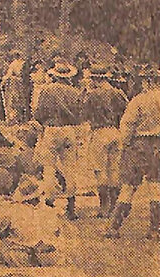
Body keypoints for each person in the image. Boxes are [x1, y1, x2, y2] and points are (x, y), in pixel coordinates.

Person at [107, 75, 160, 239]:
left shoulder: (139, 100)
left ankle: (114, 227)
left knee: (128, 187)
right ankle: (154, 229)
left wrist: (124, 145)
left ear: (147, 82)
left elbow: (128, 125)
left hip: (139, 145)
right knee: (155, 186)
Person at [32, 61, 83, 220]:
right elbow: (80, 113)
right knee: (70, 168)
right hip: (69, 130)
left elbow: (39, 113)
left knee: (49, 167)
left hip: (52, 129)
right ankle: (71, 205)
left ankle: (49, 200)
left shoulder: (47, 91)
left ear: (54, 75)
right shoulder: (75, 92)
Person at [82, 65, 129, 220]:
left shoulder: (92, 95)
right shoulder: (118, 93)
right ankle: (116, 206)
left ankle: (104, 207)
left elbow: (84, 114)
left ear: (96, 79)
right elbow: (126, 111)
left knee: (100, 171)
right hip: (115, 131)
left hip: (99, 132)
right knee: (114, 170)